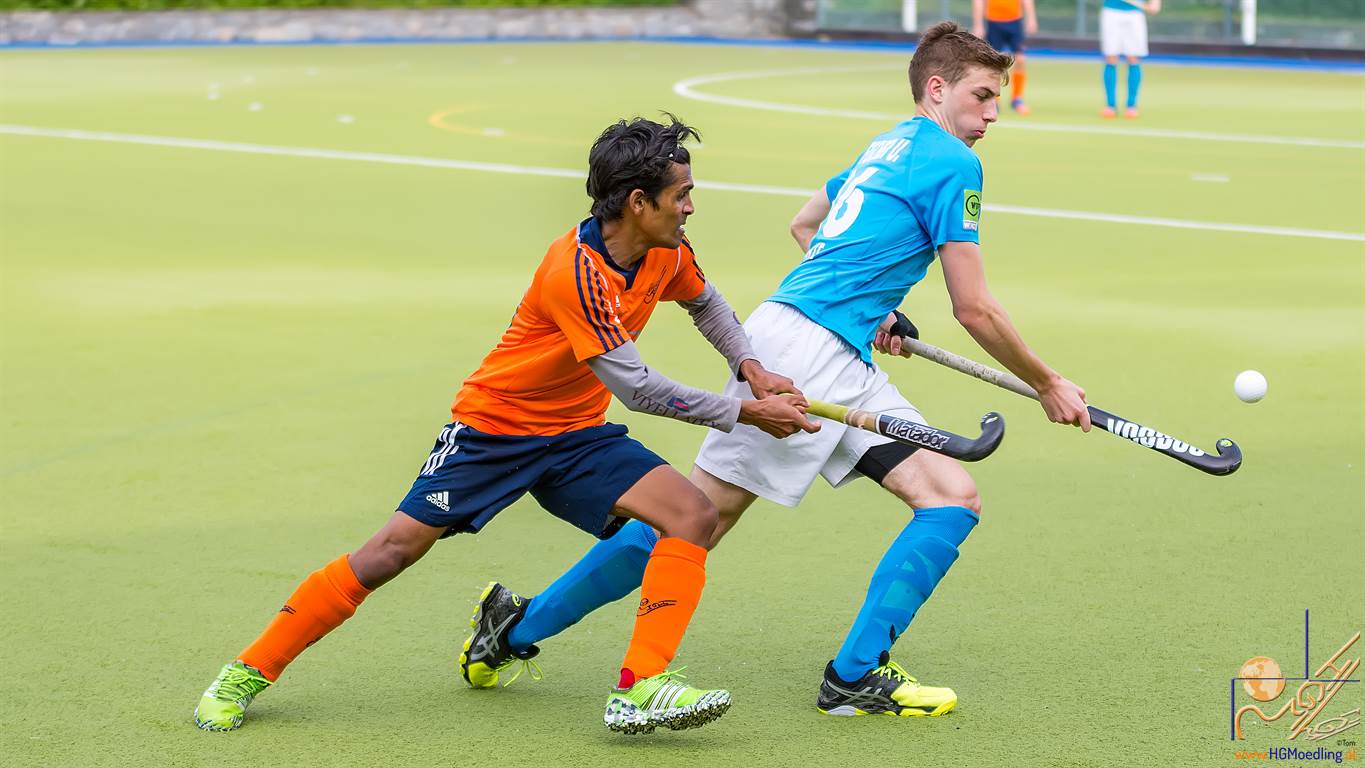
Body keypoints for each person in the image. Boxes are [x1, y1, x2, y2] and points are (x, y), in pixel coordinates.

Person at [463, 22, 1090, 719]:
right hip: (801, 356)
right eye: (981, 96)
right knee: (695, 521)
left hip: (829, 348)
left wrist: (872, 307)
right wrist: (1047, 383)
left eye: (996, 98)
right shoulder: (953, 162)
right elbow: (973, 308)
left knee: (950, 495)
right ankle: (514, 630)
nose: (992, 113)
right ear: (937, 89)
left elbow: (805, 224)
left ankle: (854, 675)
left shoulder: (889, 144)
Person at [192, 114, 818, 735]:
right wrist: (747, 411)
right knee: (389, 553)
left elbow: (705, 302)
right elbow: (637, 388)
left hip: (576, 435)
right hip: (494, 431)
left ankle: (640, 687)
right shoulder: (575, 272)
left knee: (692, 516)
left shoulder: (665, 250)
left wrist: (750, 367)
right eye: (681, 195)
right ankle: (247, 671)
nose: (689, 208)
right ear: (637, 202)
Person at [972, 0, 1038, 115]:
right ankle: (995, 99)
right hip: (993, 22)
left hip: (1015, 22)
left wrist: (1031, 18)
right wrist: (978, 24)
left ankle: (1017, 99)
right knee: (994, 63)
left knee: (1020, 59)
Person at [1100, 0, 1161, 118]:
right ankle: (1110, 106)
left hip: (1135, 13)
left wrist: (1155, 2)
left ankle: (1131, 106)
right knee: (1111, 57)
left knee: (1133, 58)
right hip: (1111, 11)